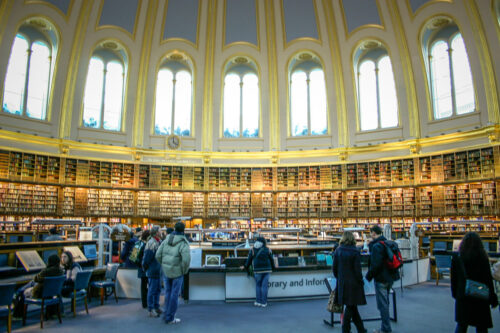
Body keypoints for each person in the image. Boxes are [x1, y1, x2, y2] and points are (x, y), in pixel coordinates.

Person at [451, 232, 498, 333]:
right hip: (479, 296)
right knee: (481, 327)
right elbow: (487, 279)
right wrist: (492, 297)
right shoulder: (483, 258)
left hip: (463, 295)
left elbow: (454, 279)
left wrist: (455, 294)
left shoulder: (457, 258)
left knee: (462, 325)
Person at [365, 225, 399, 333]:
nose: (370, 235)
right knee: (386, 303)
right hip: (390, 277)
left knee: (382, 305)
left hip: (381, 278)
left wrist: (368, 277)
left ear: (373, 233)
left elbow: (376, 264)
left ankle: (386, 329)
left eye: (371, 233)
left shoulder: (376, 246)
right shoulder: (387, 242)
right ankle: (385, 327)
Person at [156, 222, 191, 324]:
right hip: (177, 272)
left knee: (167, 292)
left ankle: (167, 313)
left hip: (166, 271)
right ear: (183, 230)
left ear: (175, 229)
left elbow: (158, 254)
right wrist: (184, 270)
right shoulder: (183, 242)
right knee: (174, 295)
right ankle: (170, 317)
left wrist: (164, 265)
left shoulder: (166, 240)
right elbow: (186, 260)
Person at [333, 231, 367, 333]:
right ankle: (346, 330)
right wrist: (360, 280)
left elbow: (334, 268)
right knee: (351, 306)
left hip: (343, 283)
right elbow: (357, 270)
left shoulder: (338, 250)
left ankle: (361, 329)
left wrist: (339, 278)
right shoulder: (355, 251)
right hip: (353, 283)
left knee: (352, 306)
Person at [242, 236, 275, 308]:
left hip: (257, 270)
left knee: (258, 285)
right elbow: (271, 260)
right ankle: (264, 302)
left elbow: (249, 261)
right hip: (267, 270)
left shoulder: (252, 250)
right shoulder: (268, 249)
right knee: (264, 287)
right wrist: (273, 268)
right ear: (264, 243)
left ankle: (258, 301)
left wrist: (245, 267)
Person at [142, 226, 162, 317]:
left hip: (158, 270)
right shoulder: (151, 243)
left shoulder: (158, 242)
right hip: (153, 270)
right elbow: (147, 258)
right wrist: (146, 268)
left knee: (158, 290)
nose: (161, 232)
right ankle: (150, 309)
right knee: (152, 290)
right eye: (160, 230)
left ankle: (156, 306)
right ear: (156, 233)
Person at [137, 229, 150, 309]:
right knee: (150, 286)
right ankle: (148, 302)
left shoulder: (138, 244)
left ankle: (144, 303)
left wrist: (140, 265)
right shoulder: (148, 245)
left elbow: (133, 257)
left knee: (143, 286)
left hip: (141, 268)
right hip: (147, 268)